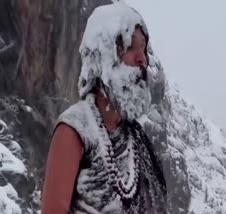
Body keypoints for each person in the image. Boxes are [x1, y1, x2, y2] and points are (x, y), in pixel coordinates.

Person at [41, 2, 167, 213]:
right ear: (103, 53)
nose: (142, 58)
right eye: (129, 45)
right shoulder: (75, 130)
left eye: (144, 48)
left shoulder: (136, 140)